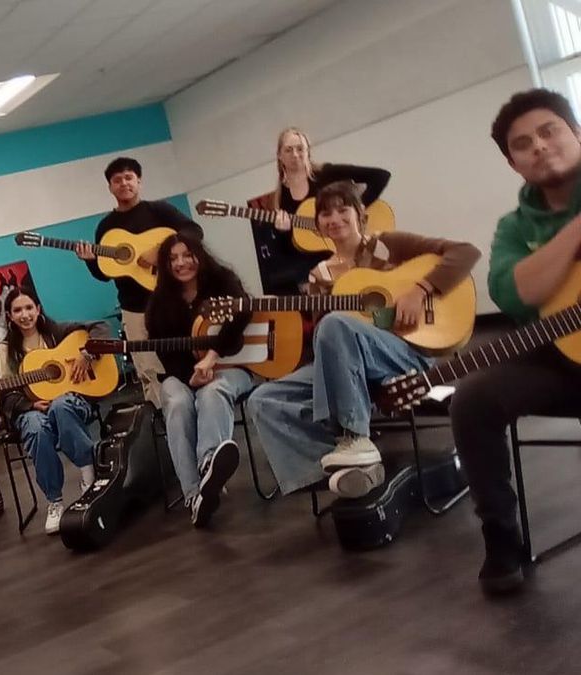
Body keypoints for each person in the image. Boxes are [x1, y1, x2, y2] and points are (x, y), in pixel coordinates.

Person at [246, 181, 480, 499]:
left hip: (404, 351)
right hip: (350, 364)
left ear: (360, 215)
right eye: (325, 214)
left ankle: (355, 437)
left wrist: (418, 292)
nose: (335, 219)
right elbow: (326, 341)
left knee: (335, 323)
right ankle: (343, 471)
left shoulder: (388, 245)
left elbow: (466, 252)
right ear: (318, 225)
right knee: (263, 399)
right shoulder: (319, 276)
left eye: (343, 210)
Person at [448, 88, 581, 595]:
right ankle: (501, 537)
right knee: (472, 397)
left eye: (550, 131)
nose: (539, 146)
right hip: (563, 362)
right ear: (513, 164)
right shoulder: (513, 228)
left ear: (577, 133)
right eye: (523, 144)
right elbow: (514, 293)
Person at [145, 232, 254, 527]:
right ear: (165, 266)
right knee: (177, 402)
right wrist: (191, 377)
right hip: (181, 375)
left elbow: (243, 311)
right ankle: (195, 495)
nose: (181, 263)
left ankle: (208, 465)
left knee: (213, 391)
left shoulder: (223, 281)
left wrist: (212, 356)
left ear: (199, 254)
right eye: (172, 258)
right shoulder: (158, 304)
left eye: (187, 255)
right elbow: (166, 355)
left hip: (232, 367)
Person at [77, 156, 204, 408]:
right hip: (134, 308)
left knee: (188, 354)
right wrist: (90, 261)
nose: (124, 183)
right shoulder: (106, 227)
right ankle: (165, 416)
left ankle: (202, 405)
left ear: (139, 181)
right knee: (148, 367)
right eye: (117, 180)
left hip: (172, 300)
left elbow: (194, 232)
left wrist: (160, 251)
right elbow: (105, 273)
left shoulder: (159, 210)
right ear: (110, 187)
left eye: (129, 178)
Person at [0, 286, 110, 534]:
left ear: (38, 309)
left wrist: (87, 354)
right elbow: (5, 396)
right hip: (33, 411)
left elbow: (101, 327)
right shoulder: (5, 351)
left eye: (29, 308)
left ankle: (88, 475)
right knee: (35, 427)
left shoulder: (57, 332)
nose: (25, 314)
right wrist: (30, 404)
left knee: (60, 405)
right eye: (18, 310)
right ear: (9, 316)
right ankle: (54, 501)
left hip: (71, 401)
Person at [248, 127, 392, 295]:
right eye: (288, 150)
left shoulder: (326, 174)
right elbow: (288, 251)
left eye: (300, 148)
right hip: (322, 275)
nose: (295, 154)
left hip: (354, 256)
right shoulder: (280, 200)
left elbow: (381, 176)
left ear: (308, 151)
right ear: (279, 155)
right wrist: (282, 231)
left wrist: (355, 210)